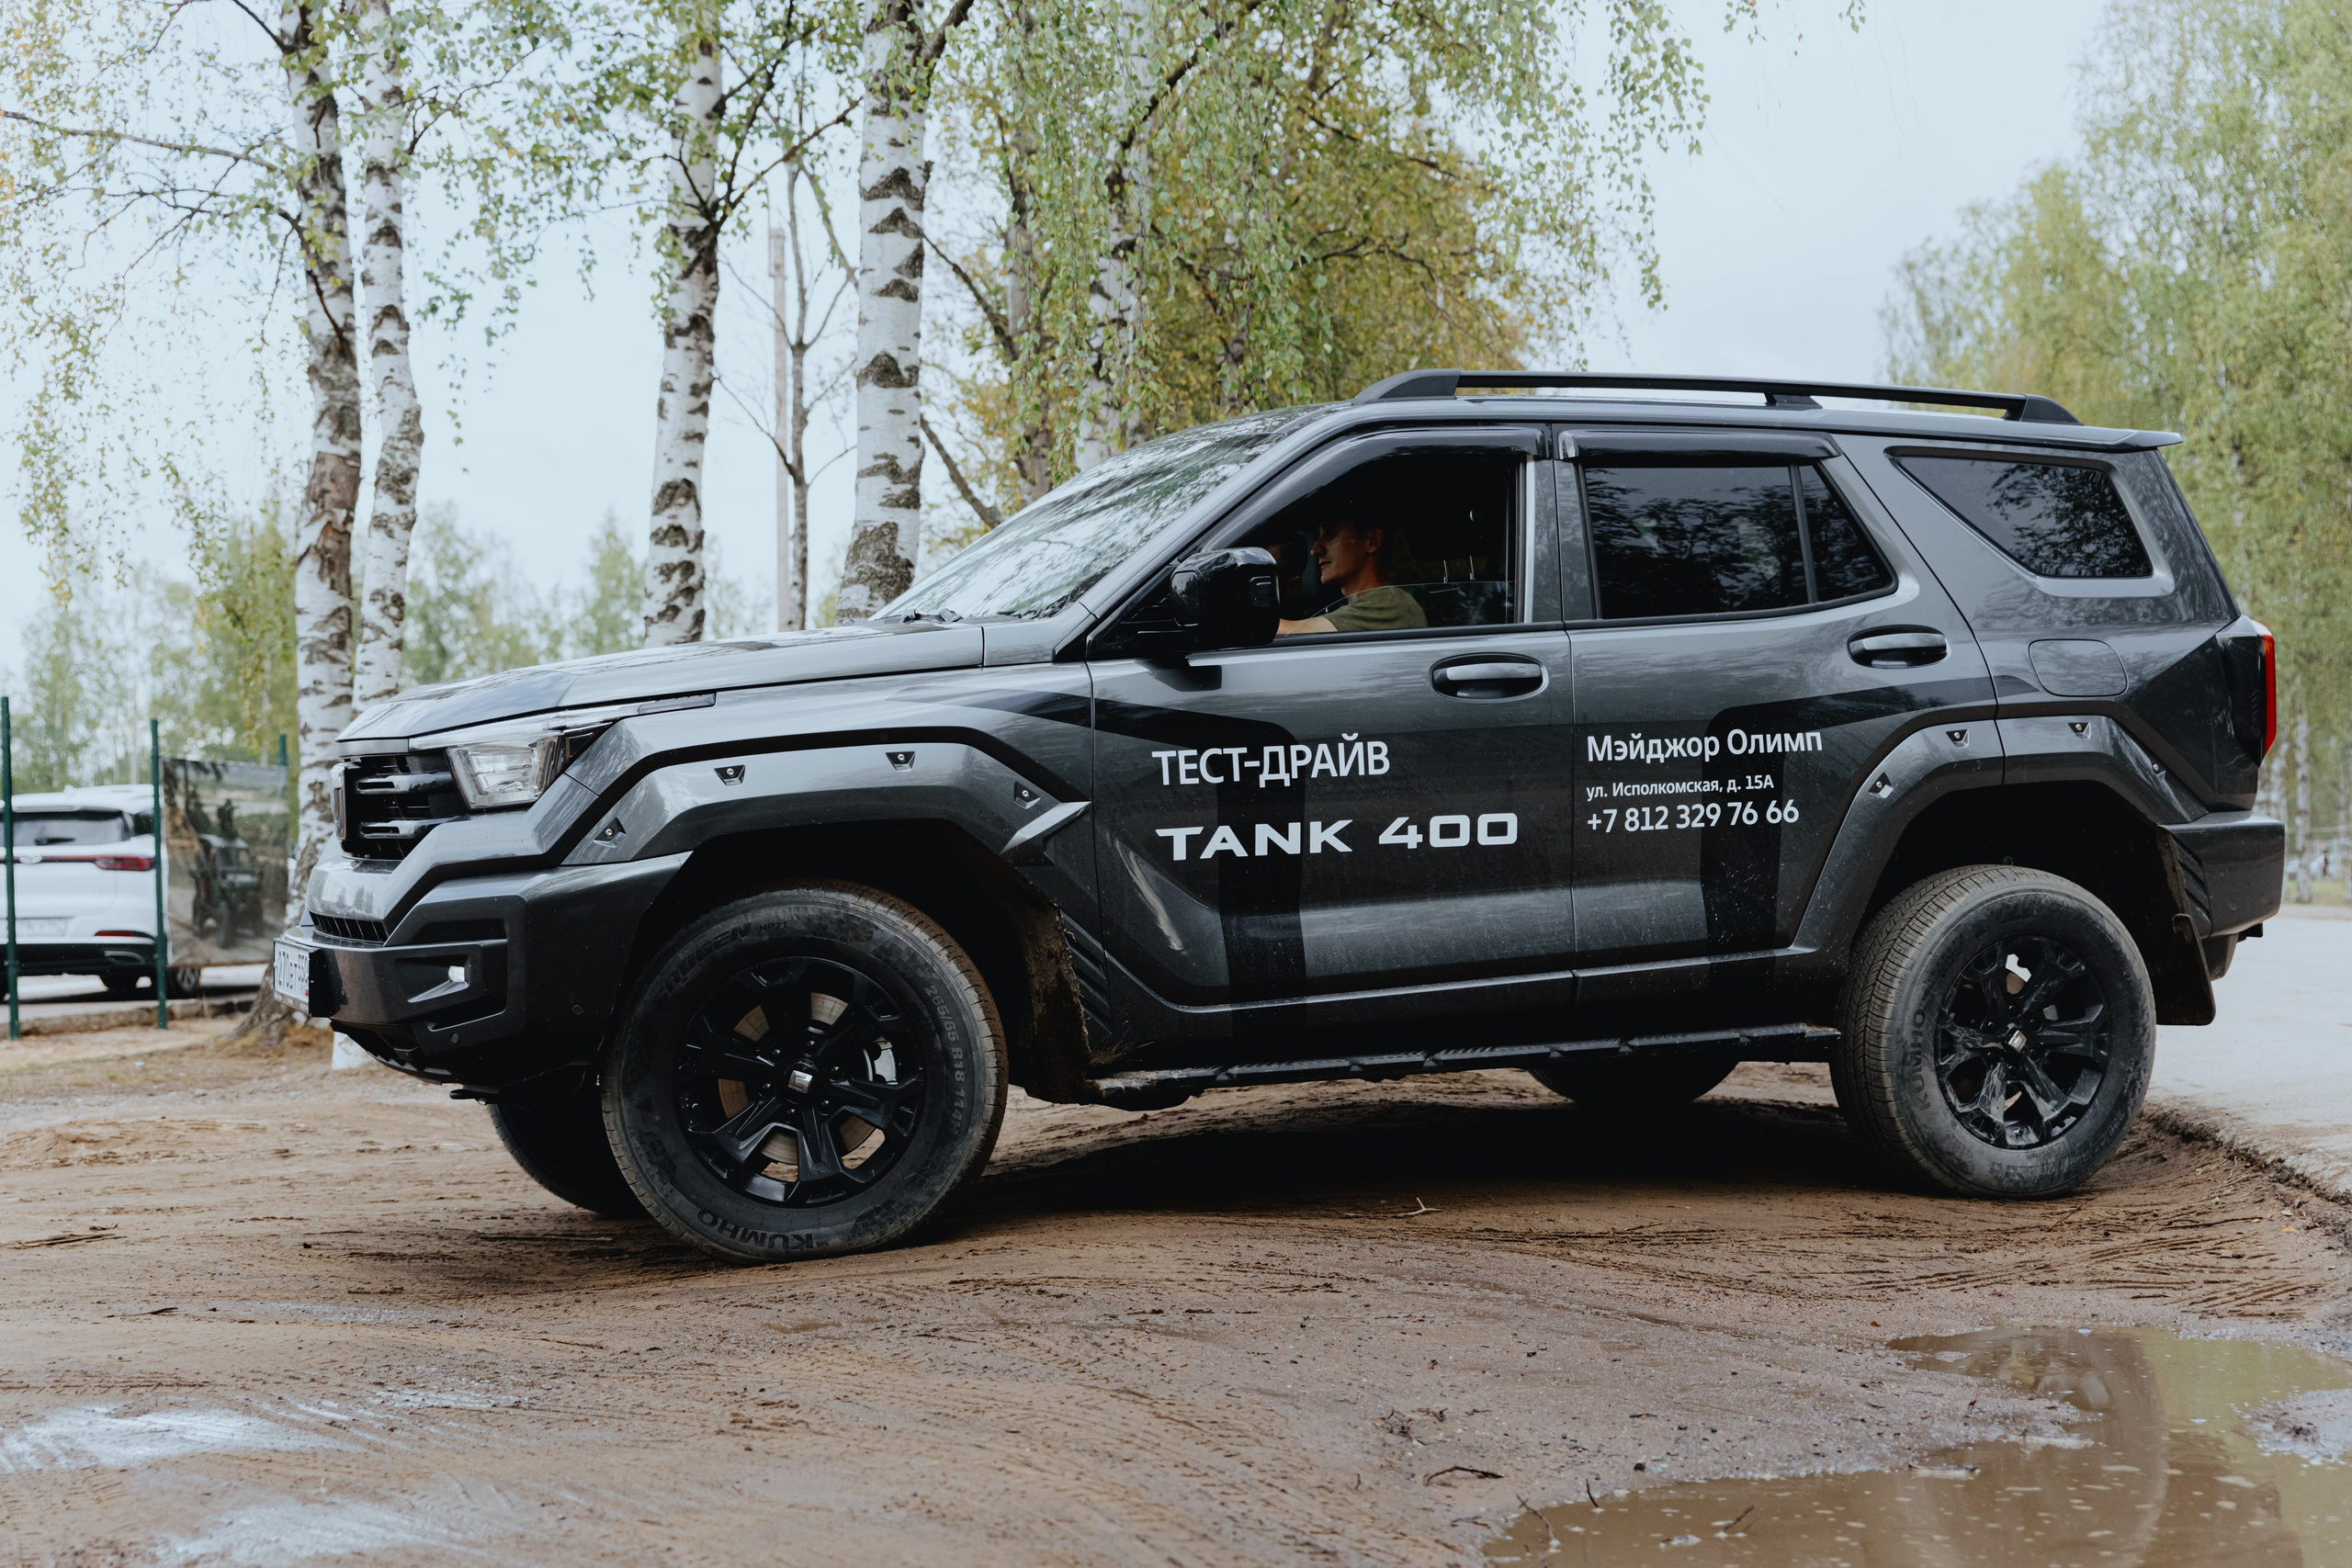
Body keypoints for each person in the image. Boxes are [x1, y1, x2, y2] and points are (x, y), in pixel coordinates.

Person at [1276, 516, 1426, 635]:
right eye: (1319, 535)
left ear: (1373, 541)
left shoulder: (1391, 603)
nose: (1315, 550)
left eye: (1330, 533)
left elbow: (1287, 633)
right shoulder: (1367, 606)